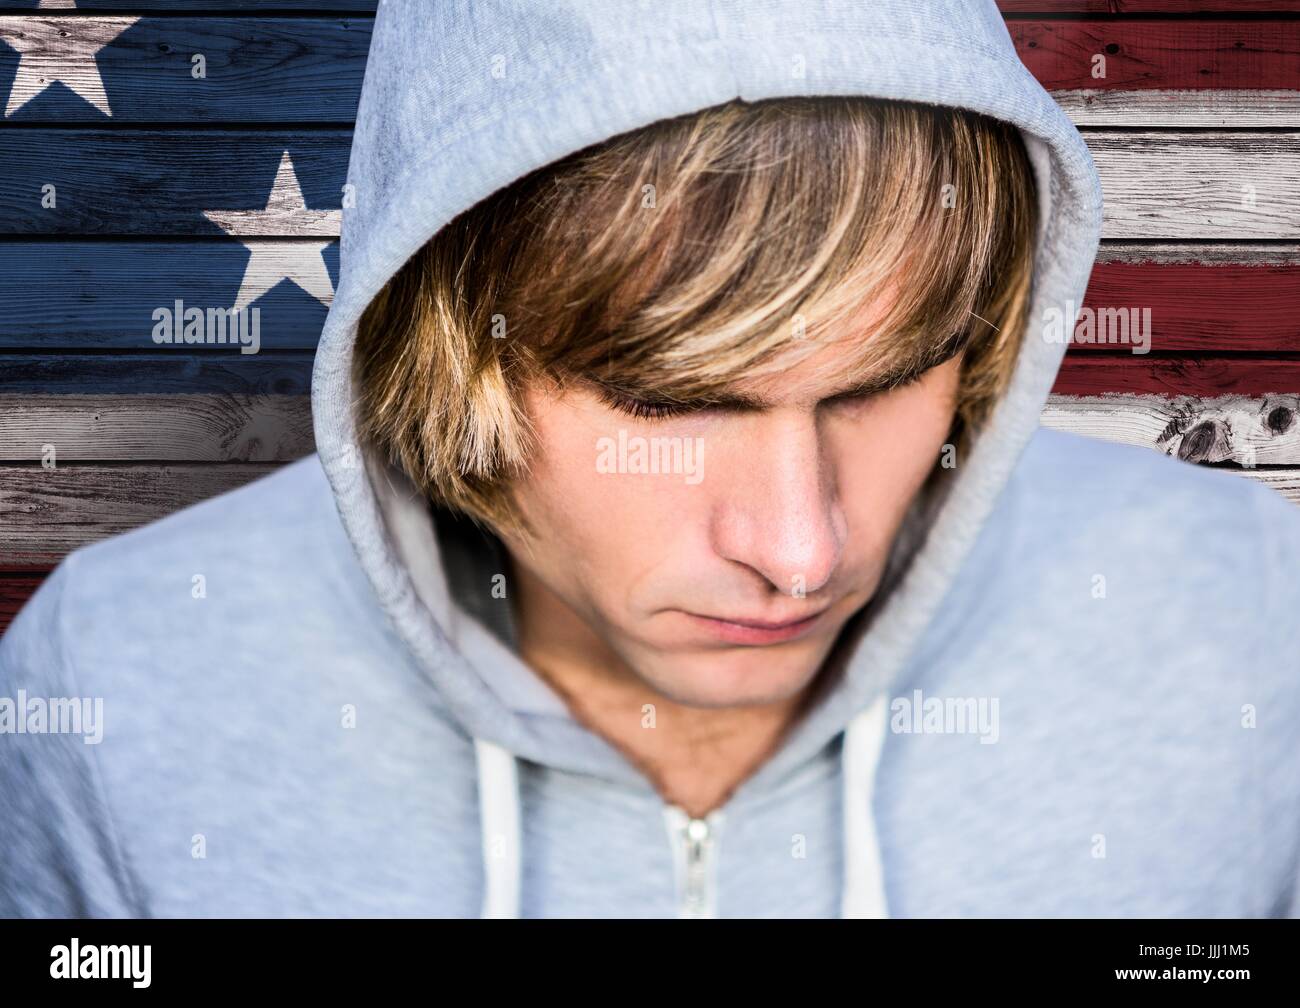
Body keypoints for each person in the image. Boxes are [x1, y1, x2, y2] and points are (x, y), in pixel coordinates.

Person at [2, 0, 1298, 919]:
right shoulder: (116, 686)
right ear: (443, 335)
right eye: (669, 401)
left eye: (891, 375)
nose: (801, 549)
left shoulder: (1252, 618)